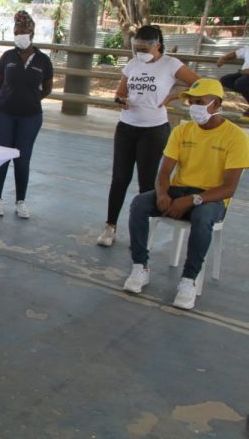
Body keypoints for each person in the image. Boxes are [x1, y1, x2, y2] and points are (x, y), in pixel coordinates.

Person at [122, 79, 249, 309]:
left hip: (212, 197)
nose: (193, 106)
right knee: (140, 204)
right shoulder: (182, 131)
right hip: (180, 189)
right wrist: (162, 193)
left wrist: (192, 200)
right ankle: (140, 267)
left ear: (217, 104)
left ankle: (188, 280)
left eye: (200, 102)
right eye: (191, 101)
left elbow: (229, 188)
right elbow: (164, 173)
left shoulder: (236, 137)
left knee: (202, 218)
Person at [96, 25, 199, 247]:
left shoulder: (171, 64)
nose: (139, 52)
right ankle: (110, 226)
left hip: (154, 130)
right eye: (136, 48)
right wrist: (120, 100)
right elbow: (120, 93)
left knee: (147, 182)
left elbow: (200, 85)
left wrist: (173, 97)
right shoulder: (133, 64)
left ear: (157, 45)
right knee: (120, 179)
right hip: (127, 127)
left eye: (144, 48)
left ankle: (142, 232)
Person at [0, 10, 53, 219]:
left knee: (22, 158)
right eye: (16, 31)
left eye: (22, 31)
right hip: (4, 114)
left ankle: (20, 201)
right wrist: (9, 99)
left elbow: (47, 88)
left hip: (31, 117)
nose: (19, 35)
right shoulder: (7, 57)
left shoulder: (43, 60)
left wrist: (31, 100)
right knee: (2, 156)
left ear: (32, 33)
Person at [216, 46, 249, 116]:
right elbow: (235, 54)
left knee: (240, 83)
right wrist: (223, 58)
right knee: (224, 80)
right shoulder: (247, 49)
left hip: (245, 75)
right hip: (243, 73)